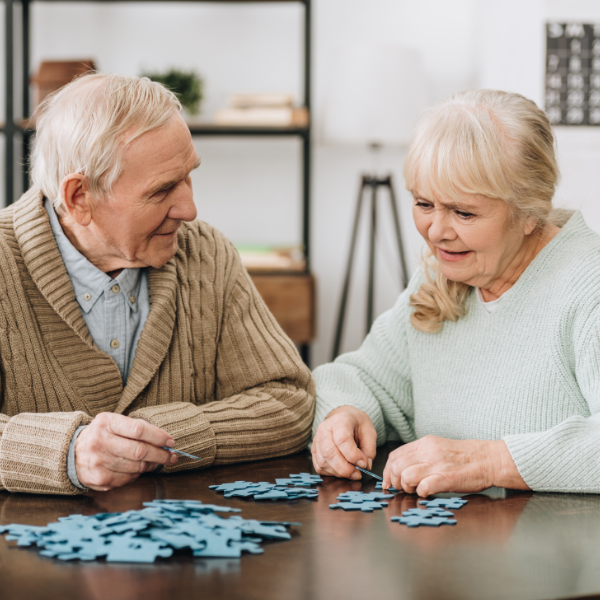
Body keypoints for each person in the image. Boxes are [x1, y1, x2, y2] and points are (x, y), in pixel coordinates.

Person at [0, 73, 315, 495]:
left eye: (188, 176)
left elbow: (290, 401)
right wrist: (67, 451)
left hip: (185, 551)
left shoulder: (206, 253)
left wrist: (161, 437)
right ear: (78, 197)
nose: (189, 208)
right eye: (163, 189)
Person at [311, 89, 600, 495]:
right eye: (424, 203)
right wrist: (343, 415)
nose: (436, 231)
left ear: (529, 212)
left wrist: (488, 463)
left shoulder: (590, 284)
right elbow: (357, 376)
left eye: (464, 212)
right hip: (446, 551)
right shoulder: (443, 277)